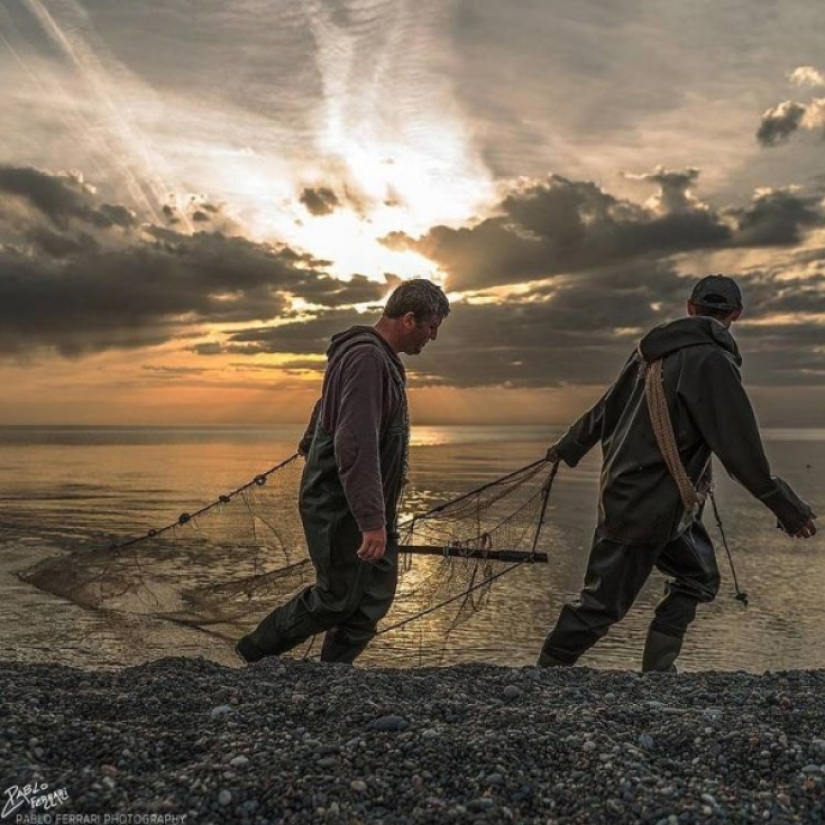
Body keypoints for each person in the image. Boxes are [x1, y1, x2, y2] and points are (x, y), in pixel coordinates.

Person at [538, 274, 817, 673]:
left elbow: (605, 408)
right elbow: (738, 447)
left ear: (690, 307)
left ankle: (658, 674)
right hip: (647, 503)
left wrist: (568, 447)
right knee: (602, 605)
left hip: (648, 497)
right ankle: (545, 672)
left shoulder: (648, 353)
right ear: (735, 314)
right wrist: (785, 506)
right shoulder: (713, 361)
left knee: (699, 575)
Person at [236, 278, 450, 665]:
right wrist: (370, 522)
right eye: (432, 326)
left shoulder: (377, 358)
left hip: (372, 505)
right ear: (408, 319)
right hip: (340, 504)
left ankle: (333, 672)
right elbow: (356, 442)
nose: (433, 337)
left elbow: (329, 405)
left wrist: (309, 440)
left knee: (373, 597)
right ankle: (252, 653)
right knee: (336, 598)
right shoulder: (367, 358)